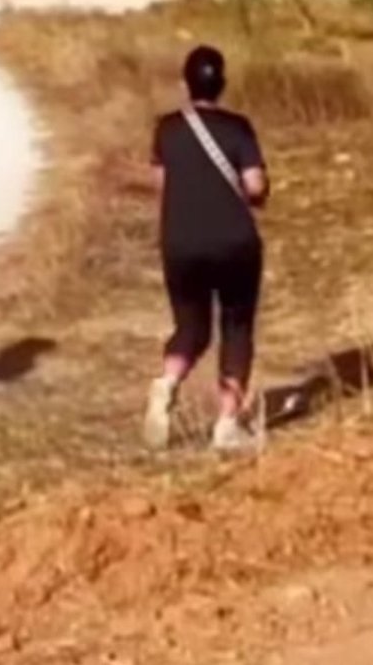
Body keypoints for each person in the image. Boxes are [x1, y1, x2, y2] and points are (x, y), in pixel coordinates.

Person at [143, 45, 269, 453]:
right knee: (236, 328)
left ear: (186, 83)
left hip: (181, 242)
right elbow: (255, 185)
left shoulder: (167, 129)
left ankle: (167, 384)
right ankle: (227, 426)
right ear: (223, 84)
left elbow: (162, 188)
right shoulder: (239, 128)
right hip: (234, 242)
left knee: (191, 327)